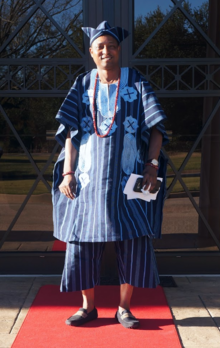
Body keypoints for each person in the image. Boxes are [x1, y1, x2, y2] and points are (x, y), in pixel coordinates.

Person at [52, 21, 168, 329]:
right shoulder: (82, 84)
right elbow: (70, 134)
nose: (106, 51)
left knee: (131, 241)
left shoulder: (136, 82)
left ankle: (124, 308)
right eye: (100, 46)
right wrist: (67, 172)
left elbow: (156, 127)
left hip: (128, 180)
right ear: (92, 52)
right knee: (81, 244)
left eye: (112, 46)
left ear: (119, 50)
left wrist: (151, 166)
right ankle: (88, 307)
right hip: (87, 181)